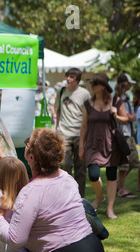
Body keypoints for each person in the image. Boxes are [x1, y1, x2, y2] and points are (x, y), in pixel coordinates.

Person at [0, 128, 106, 252]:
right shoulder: (66, 178)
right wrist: (4, 157)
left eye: (27, 143)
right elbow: (35, 184)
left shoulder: (31, 192)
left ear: (31, 157)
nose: (26, 144)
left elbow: (16, 239)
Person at [79, 73, 128, 219]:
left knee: (111, 175)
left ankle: (110, 208)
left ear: (103, 86)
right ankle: (100, 197)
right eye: (92, 84)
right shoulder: (88, 103)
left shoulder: (116, 101)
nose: (92, 87)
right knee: (93, 174)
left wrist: (116, 115)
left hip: (111, 143)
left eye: (95, 84)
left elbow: (126, 119)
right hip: (93, 143)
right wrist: (81, 146)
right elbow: (84, 126)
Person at [55, 68, 91, 197]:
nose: (68, 79)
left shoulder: (85, 94)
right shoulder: (61, 91)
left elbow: (88, 116)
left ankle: (80, 198)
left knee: (80, 169)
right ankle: (68, 196)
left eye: (72, 77)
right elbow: (58, 111)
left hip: (80, 134)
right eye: (68, 76)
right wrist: (57, 129)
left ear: (77, 80)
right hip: (64, 134)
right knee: (64, 165)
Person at [115, 74, 139, 198]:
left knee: (134, 161)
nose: (130, 85)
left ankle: (119, 185)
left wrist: (131, 117)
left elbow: (130, 116)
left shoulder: (127, 97)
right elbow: (126, 117)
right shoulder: (118, 98)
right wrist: (130, 117)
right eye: (128, 83)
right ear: (124, 84)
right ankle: (121, 189)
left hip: (129, 133)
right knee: (124, 163)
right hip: (122, 134)